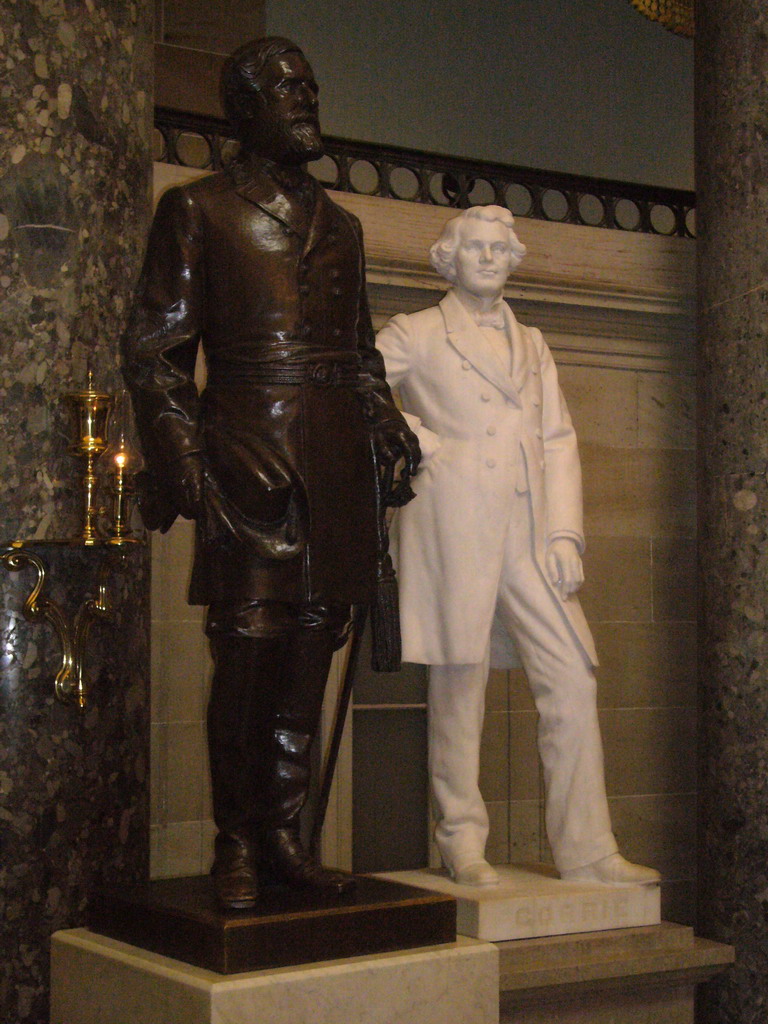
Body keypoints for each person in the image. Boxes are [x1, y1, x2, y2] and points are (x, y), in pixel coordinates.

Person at [122, 37, 419, 910]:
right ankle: (236, 844)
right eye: (286, 87)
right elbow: (156, 355)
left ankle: (288, 840)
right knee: (249, 651)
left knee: (310, 654)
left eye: (311, 84)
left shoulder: (345, 225)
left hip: (334, 467)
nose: (305, 98)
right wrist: (190, 460)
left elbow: (359, 352)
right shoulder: (199, 209)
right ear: (243, 109)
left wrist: (386, 422)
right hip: (249, 459)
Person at [376, 206, 659, 888]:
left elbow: (558, 439)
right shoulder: (416, 332)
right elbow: (359, 391)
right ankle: (462, 840)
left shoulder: (533, 343)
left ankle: (587, 848)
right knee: (459, 681)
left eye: (500, 249)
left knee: (572, 673)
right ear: (448, 257)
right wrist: (423, 443)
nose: (488, 258)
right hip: (454, 524)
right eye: (475, 247)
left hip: (528, 533)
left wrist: (564, 532)